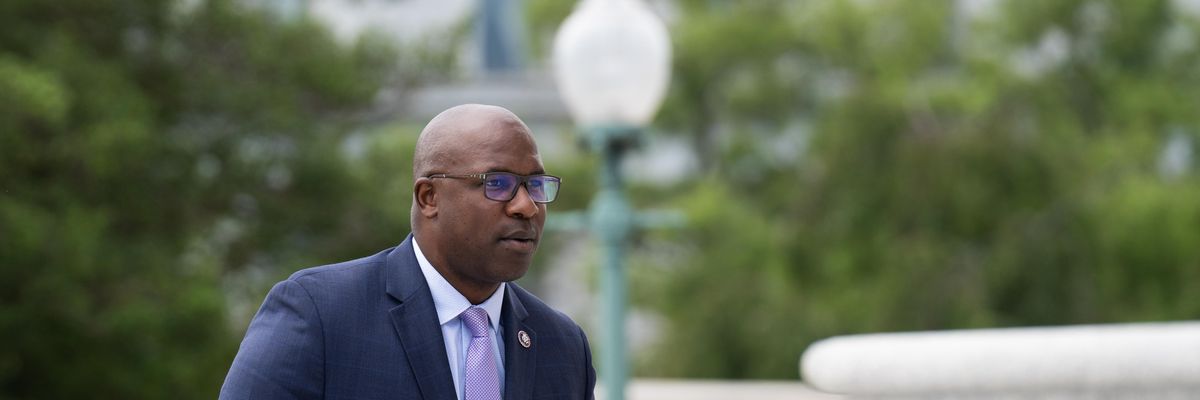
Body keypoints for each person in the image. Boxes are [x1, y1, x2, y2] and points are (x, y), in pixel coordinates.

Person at [219, 104, 596, 400]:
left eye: (535, 185)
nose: (526, 206)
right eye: (497, 183)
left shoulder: (563, 346)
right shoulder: (321, 314)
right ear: (429, 197)